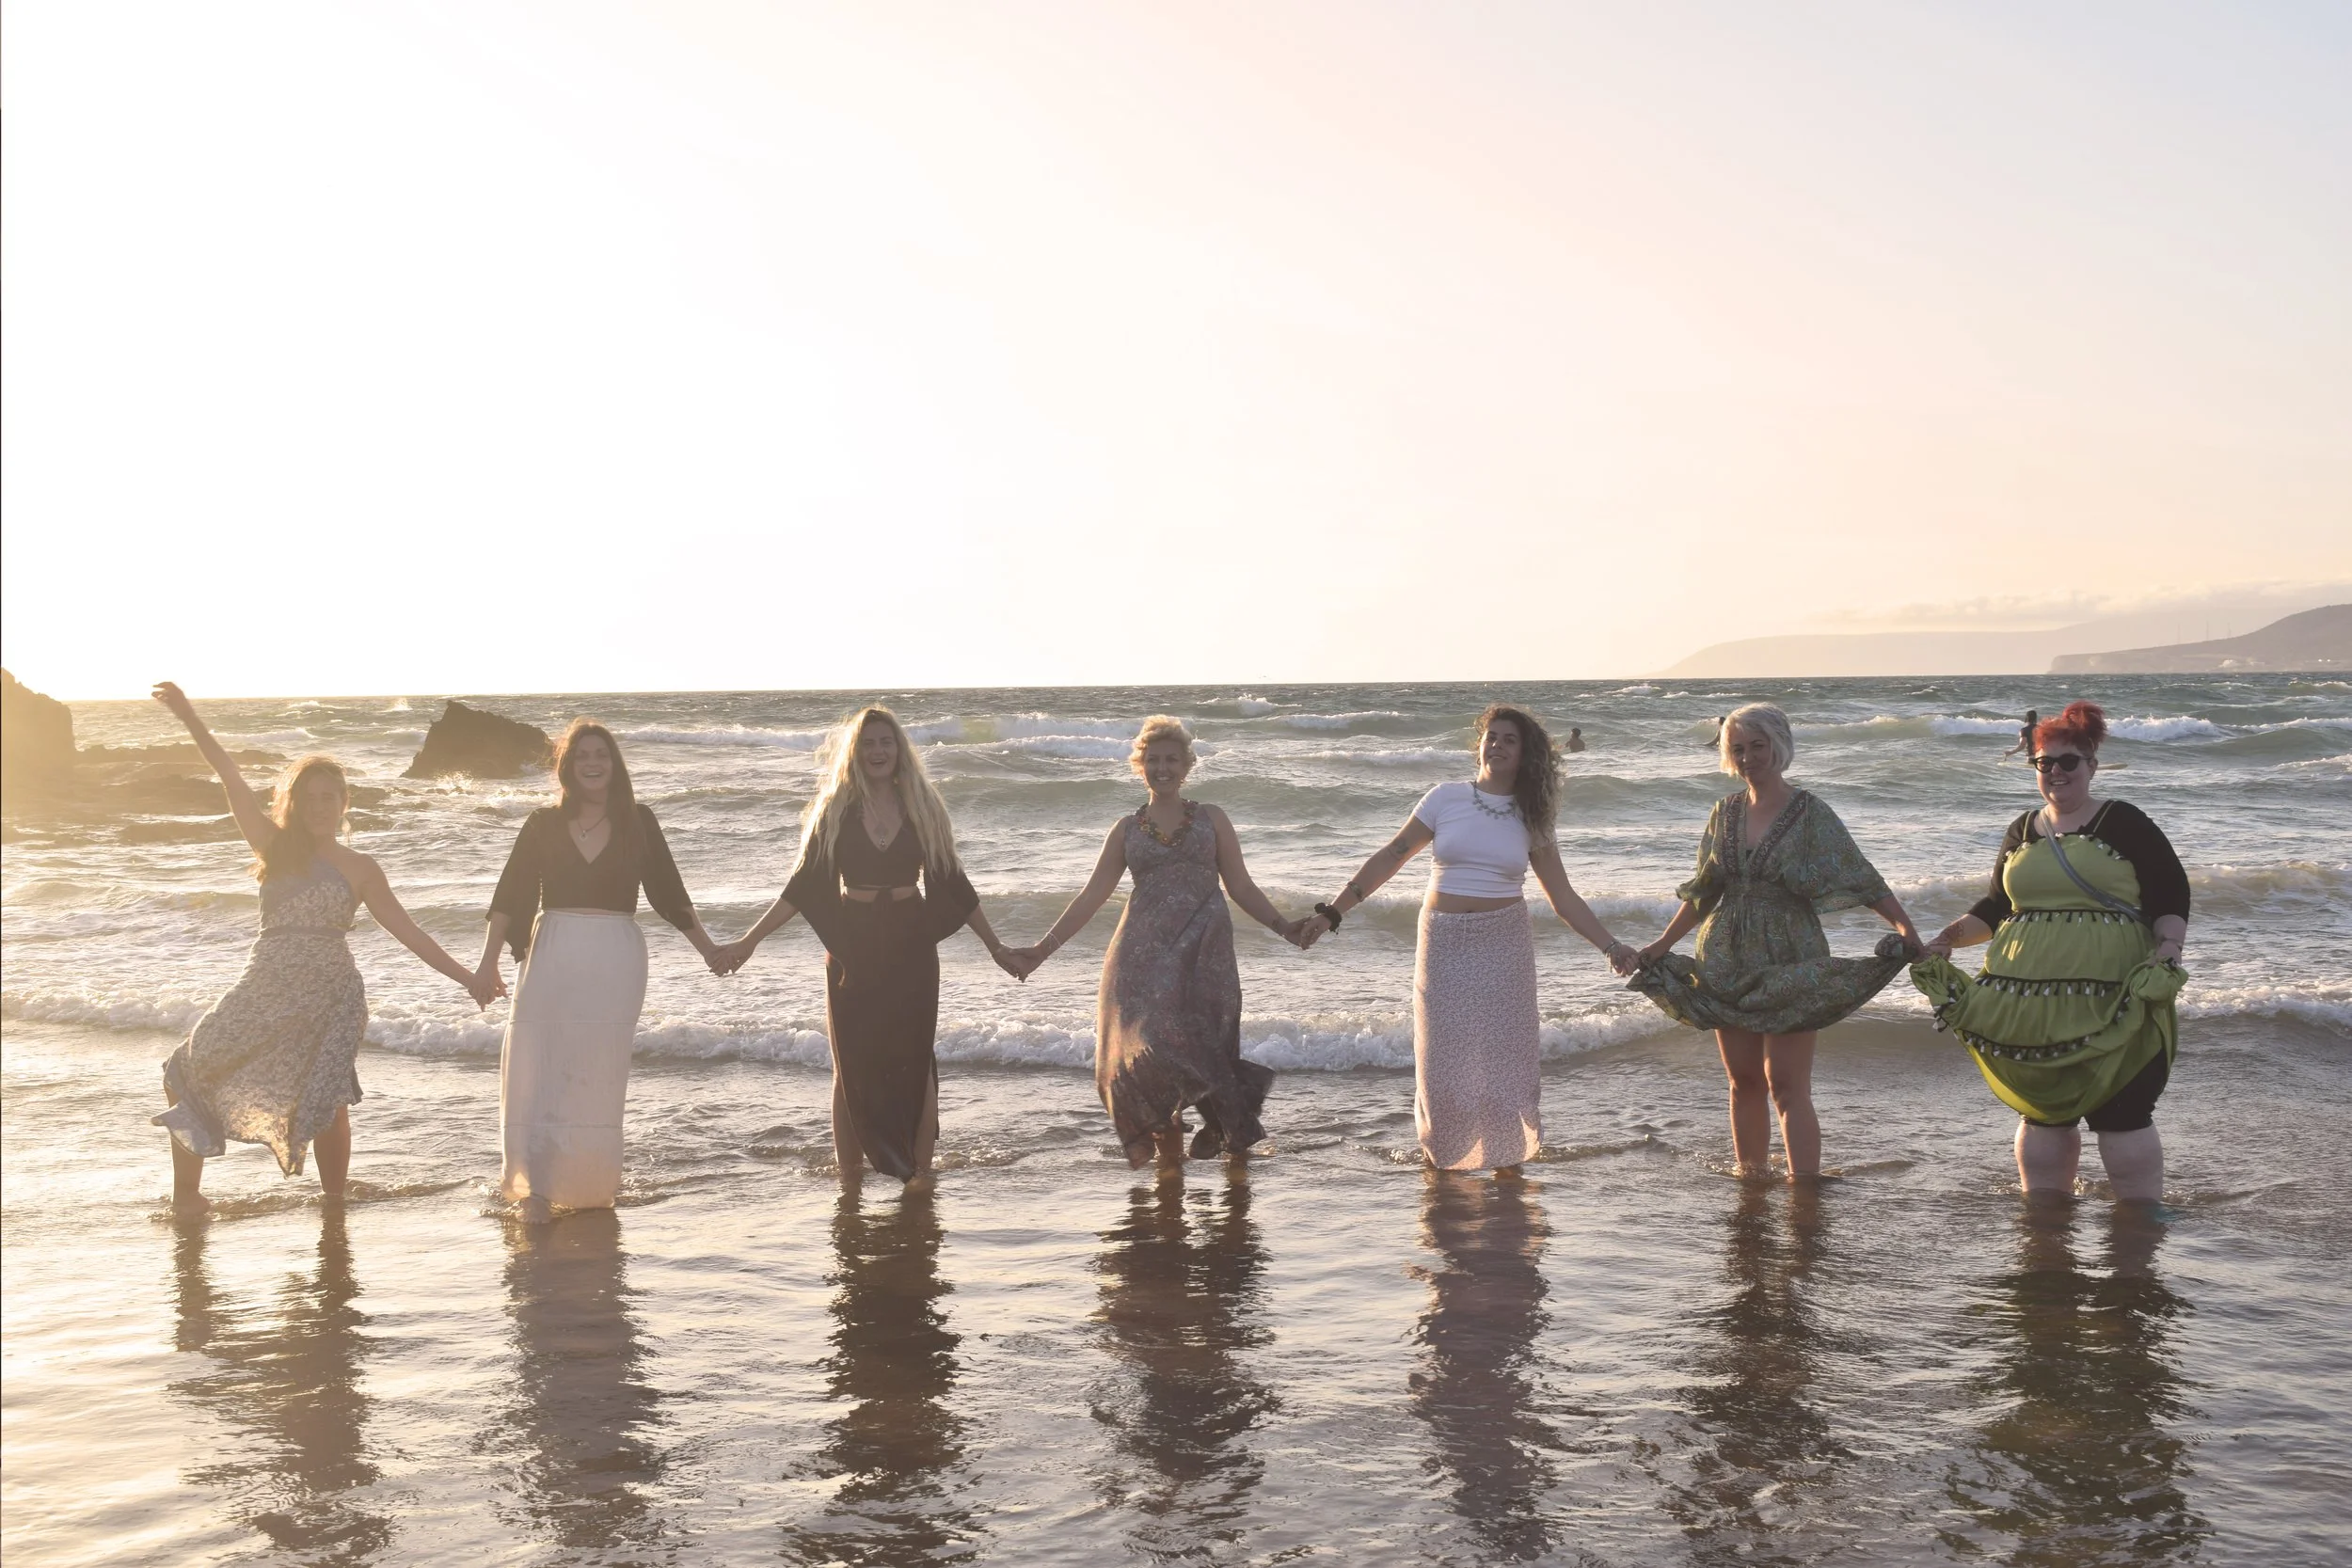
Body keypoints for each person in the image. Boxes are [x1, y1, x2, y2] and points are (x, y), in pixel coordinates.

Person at [149, 682, 497, 1208]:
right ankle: (187, 1199)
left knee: (330, 1095)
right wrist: (189, 715)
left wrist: (468, 976)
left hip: (331, 992)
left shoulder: (360, 868)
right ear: (293, 803)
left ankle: (333, 1202)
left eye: (328, 798)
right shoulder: (272, 845)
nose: (318, 806)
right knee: (186, 1069)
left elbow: (409, 931)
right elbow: (230, 776)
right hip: (265, 982)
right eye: (308, 798)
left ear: (343, 803)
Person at [1299, 705, 1637, 1175]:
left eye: (1509, 740)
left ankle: (1507, 1164)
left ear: (1526, 755)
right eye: (1491, 736)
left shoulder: (1531, 817)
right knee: (1442, 1063)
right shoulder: (1445, 798)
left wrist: (1611, 946)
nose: (1496, 745)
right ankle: (1445, 1162)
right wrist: (1334, 911)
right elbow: (1391, 856)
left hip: (1504, 943)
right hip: (1443, 941)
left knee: (1507, 1060)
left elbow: (1562, 896)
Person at [716, 707, 1021, 1188]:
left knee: (917, 1058)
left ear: (899, 750)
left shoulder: (922, 807)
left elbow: (954, 884)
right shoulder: (837, 808)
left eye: (886, 743)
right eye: (868, 744)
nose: (878, 752)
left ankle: (920, 1171)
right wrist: (749, 941)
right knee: (851, 1061)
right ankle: (849, 1176)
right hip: (853, 948)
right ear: (854, 753)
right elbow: (802, 887)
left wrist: (995, 946)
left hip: (910, 945)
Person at [1627, 702, 1923, 1180]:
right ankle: (1752, 1181)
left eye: (1757, 746)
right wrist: (1661, 945)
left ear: (1779, 746)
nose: (1747, 757)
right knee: (1743, 1082)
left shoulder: (1809, 812)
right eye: (1738, 749)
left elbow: (1860, 875)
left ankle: (1804, 1185)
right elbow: (1705, 891)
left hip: (1791, 950)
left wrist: (1904, 928)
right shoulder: (1723, 813)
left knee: (1785, 1084)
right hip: (1726, 954)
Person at [1911, 702, 2188, 1203]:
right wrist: (1944, 941)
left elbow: (2171, 894)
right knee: (2042, 1114)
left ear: (2092, 766)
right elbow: (1995, 909)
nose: (2056, 772)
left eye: (2068, 762)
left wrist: (2168, 953)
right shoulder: (2022, 828)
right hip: (2028, 1006)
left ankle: (2139, 1233)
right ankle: (2045, 1228)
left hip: (2115, 994)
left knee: (2122, 1115)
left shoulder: (2123, 821)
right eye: (2045, 762)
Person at [1008, 716, 1303, 1168]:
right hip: (1141, 956)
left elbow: (1241, 886)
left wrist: (1285, 928)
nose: (1162, 768)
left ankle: (1230, 1146)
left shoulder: (1211, 818)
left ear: (1188, 765)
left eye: (1172, 759)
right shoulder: (1125, 830)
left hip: (1207, 953)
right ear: (1138, 766)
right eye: (1153, 760)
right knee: (1155, 1053)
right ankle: (1172, 1166)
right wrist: (1042, 950)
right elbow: (1092, 895)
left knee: (1211, 1046)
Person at [478, 720, 724, 1215]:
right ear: (567, 768)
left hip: (614, 956)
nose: (593, 763)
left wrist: (709, 949)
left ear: (615, 766)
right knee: (542, 1064)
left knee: (595, 1073)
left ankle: (589, 1186)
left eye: (602, 756)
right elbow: (509, 896)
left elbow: (670, 895)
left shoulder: (640, 821)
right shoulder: (542, 824)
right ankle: (540, 1188)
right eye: (583, 756)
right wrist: (486, 965)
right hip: (553, 953)